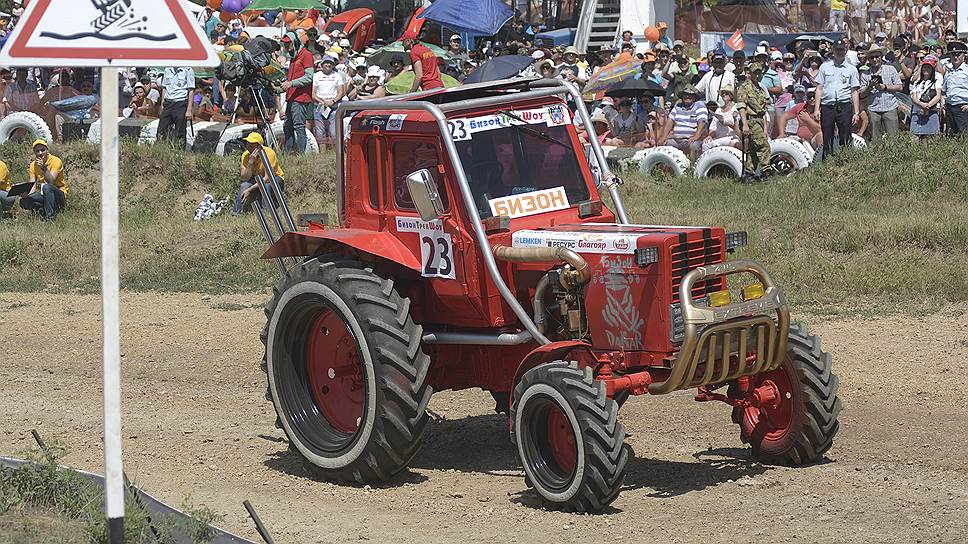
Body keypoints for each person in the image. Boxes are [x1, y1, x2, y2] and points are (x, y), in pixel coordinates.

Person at [814, 42, 860, 158]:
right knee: (827, 136)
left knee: (845, 135)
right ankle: (827, 163)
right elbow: (819, 88)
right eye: (837, 50)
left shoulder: (851, 69)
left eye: (842, 50)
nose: (839, 52)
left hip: (844, 105)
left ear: (846, 50)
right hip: (827, 106)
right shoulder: (825, 66)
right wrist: (816, 109)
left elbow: (854, 91)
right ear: (833, 50)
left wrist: (856, 112)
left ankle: (846, 161)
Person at [234, 132, 286, 216]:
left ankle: (266, 213)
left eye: (251, 146)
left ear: (258, 147)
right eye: (247, 144)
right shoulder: (245, 155)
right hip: (257, 178)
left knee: (266, 186)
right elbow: (245, 178)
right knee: (244, 186)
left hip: (275, 178)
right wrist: (250, 163)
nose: (248, 148)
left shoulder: (269, 153)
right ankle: (236, 214)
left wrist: (250, 189)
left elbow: (267, 178)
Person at [280, 31, 315, 154]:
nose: (285, 46)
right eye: (284, 44)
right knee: (287, 127)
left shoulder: (306, 55)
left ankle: (301, 155)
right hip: (292, 97)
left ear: (295, 42)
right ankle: (288, 154)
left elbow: (309, 77)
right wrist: (280, 87)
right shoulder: (294, 57)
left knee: (299, 127)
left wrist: (291, 83)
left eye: (288, 44)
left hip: (300, 98)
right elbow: (291, 80)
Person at [737, 62, 772, 181]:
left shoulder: (761, 89)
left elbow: (763, 110)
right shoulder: (744, 87)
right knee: (763, 146)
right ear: (750, 73)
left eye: (759, 73)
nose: (757, 75)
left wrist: (766, 128)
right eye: (755, 73)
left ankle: (749, 173)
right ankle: (766, 172)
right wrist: (745, 124)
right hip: (751, 120)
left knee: (753, 148)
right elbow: (741, 106)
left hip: (760, 120)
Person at [859, 45, 901, 140]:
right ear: (868, 59)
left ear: (881, 56)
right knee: (875, 139)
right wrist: (869, 87)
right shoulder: (865, 74)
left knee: (893, 138)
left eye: (877, 56)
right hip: (873, 108)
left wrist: (885, 87)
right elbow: (861, 94)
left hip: (890, 107)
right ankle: (877, 155)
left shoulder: (890, 69)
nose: (874, 59)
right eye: (871, 57)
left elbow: (899, 87)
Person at [20, 140, 68, 220]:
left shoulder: (56, 161)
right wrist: (26, 194)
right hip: (45, 194)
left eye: (42, 150)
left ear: (47, 150)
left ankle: (50, 217)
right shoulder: (33, 165)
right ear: (34, 153)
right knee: (24, 201)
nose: (40, 153)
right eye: (37, 151)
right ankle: (41, 211)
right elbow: (32, 185)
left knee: (47, 187)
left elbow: (51, 181)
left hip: (59, 193)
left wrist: (44, 168)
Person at [664, 86, 708, 157]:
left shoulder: (699, 105)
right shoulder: (678, 106)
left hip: (691, 140)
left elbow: (702, 122)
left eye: (690, 94)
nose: (687, 96)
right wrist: (664, 136)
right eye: (685, 94)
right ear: (682, 96)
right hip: (676, 140)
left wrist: (696, 136)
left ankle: (694, 167)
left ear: (694, 96)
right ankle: (669, 167)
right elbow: (670, 120)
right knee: (667, 144)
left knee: (694, 146)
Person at [157, 66, 196, 146]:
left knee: (180, 131)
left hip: (180, 103)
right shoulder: (167, 68)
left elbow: (191, 90)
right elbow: (164, 88)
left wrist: (189, 110)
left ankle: (179, 152)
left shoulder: (188, 69)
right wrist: (162, 105)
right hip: (168, 102)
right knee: (162, 130)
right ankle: (161, 149)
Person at [311, 55, 345, 148]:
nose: (328, 65)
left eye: (330, 63)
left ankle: (335, 154)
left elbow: (341, 92)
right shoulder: (316, 76)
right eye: (326, 62)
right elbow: (313, 93)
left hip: (333, 107)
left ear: (333, 65)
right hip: (319, 106)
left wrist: (333, 101)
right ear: (322, 64)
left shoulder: (337, 75)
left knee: (334, 131)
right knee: (319, 131)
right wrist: (322, 101)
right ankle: (322, 154)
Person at [910, 57, 943, 139]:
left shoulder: (936, 80)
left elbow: (938, 95)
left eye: (929, 67)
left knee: (929, 139)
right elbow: (913, 97)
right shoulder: (917, 81)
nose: (926, 69)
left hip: (931, 111)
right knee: (914, 138)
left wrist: (927, 105)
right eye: (924, 67)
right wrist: (921, 105)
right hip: (917, 111)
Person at [942, 41, 968, 134]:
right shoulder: (949, 71)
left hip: (963, 107)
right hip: (949, 107)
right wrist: (943, 104)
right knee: (951, 135)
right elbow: (944, 90)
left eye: (958, 55)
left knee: (964, 135)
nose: (955, 57)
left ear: (963, 56)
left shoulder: (967, 70)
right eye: (953, 55)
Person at [703, 86, 739, 151]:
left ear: (731, 96)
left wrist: (726, 123)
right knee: (706, 144)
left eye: (726, 93)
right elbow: (713, 128)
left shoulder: (736, 108)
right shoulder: (718, 110)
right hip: (718, 138)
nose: (724, 94)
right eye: (722, 93)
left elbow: (739, 129)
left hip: (732, 137)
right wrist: (710, 136)